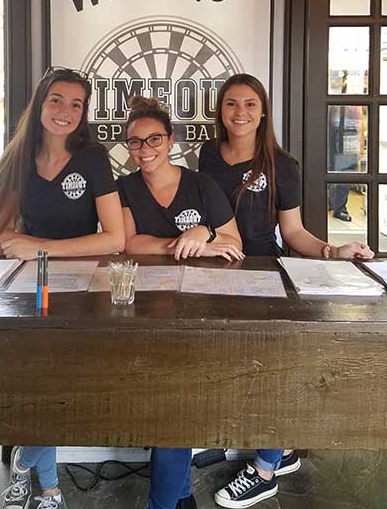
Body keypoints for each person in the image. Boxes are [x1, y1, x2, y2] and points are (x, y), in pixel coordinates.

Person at [199, 73, 374, 508]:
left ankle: (265, 468)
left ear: (263, 112)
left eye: (250, 104)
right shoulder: (207, 155)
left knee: (271, 366)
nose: (240, 113)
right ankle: (268, 445)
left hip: (266, 275)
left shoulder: (283, 164)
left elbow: (293, 232)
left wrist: (333, 250)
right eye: (231, 104)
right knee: (225, 362)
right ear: (220, 111)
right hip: (219, 272)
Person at [0, 67, 125, 509]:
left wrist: (37, 247)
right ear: (41, 102)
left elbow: (114, 238)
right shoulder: (18, 158)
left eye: (76, 104)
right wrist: (21, 248)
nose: (65, 111)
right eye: (57, 100)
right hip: (28, 290)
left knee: (61, 388)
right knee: (34, 385)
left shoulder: (93, 158)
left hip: (78, 290)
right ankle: (49, 487)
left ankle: (27, 466)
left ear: (84, 114)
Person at [117, 96, 243, 509]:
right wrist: (186, 244)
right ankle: (179, 495)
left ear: (170, 140)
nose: (145, 149)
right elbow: (130, 243)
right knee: (170, 405)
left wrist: (205, 233)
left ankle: (168, 501)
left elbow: (233, 243)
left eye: (153, 138)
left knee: (176, 405)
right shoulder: (125, 188)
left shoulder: (202, 185)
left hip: (203, 308)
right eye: (135, 142)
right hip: (146, 308)